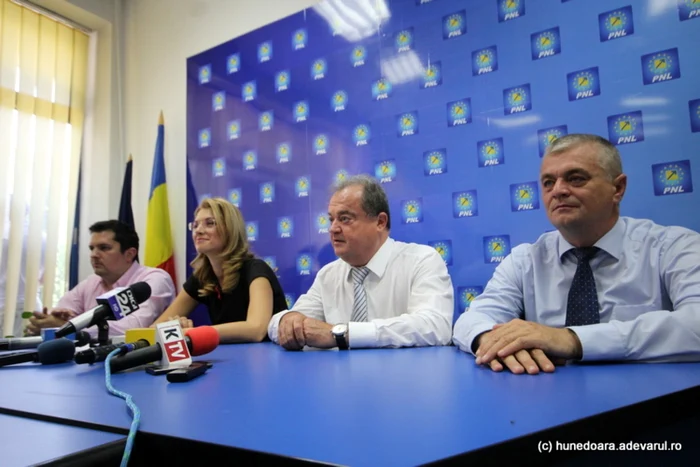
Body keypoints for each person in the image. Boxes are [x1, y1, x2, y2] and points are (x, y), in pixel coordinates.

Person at [452, 133, 700, 374]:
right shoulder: (524, 260)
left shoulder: (673, 246)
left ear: (618, 188)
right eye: (548, 182)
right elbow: (472, 320)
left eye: (576, 178)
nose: (558, 190)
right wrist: (491, 340)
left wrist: (572, 340)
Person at [268, 174, 454, 350]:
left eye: (345, 219)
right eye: (331, 220)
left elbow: (435, 327)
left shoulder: (421, 261)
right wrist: (289, 320)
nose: (333, 229)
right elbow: (278, 325)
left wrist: (341, 334)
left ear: (380, 222)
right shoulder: (329, 274)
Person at [153, 198, 287, 343]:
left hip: (268, 360)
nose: (198, 231)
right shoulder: (202, 277)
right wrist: (172, 328)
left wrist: (193, 333)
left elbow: (256, 329)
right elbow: (154, 328)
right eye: (195, 225)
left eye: (209, 223)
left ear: (230, 229)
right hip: (229, 360)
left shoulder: (255, 269)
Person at [26, 220, 176, 337]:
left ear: (129, 254)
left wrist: (67, 326)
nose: (94, 254)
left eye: (104, 248)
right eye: (92, 248)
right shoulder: (91, 282)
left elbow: (132, 328)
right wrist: (47, 321)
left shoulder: (153, 280)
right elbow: (62, 312)